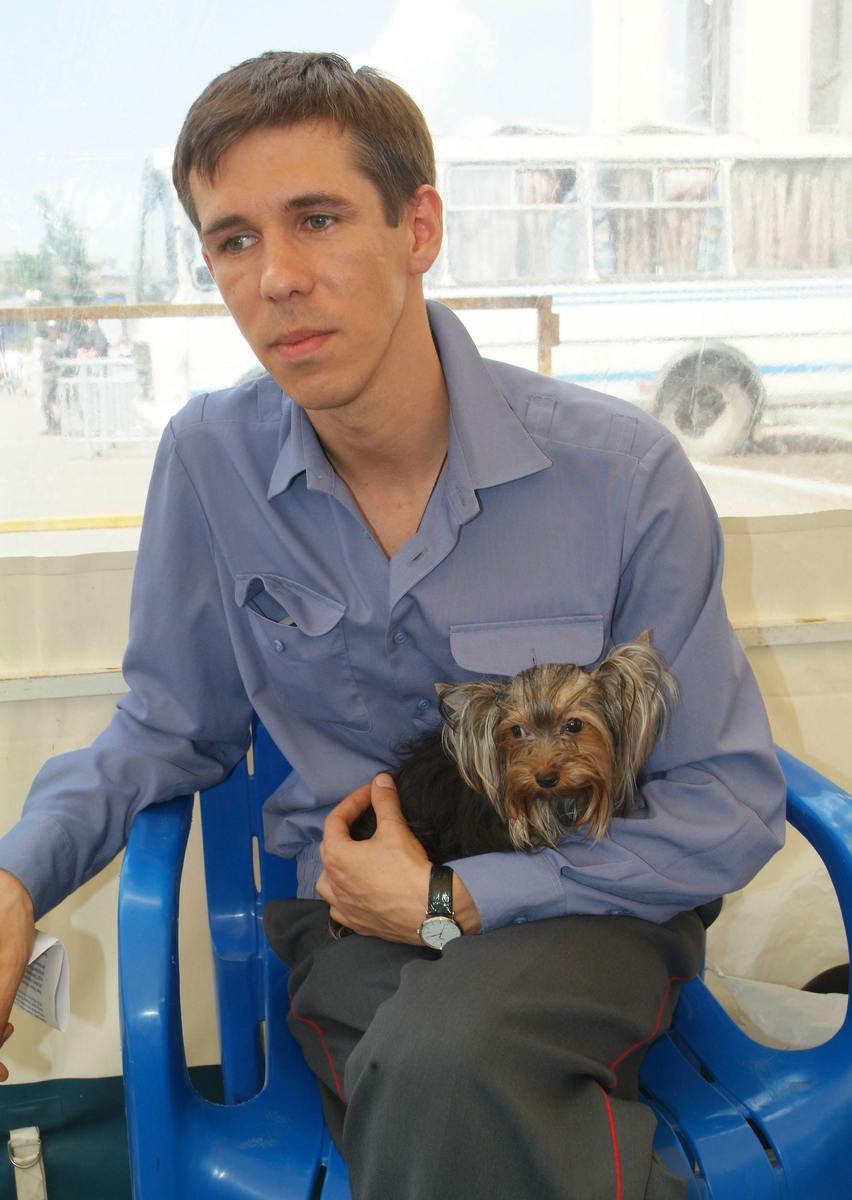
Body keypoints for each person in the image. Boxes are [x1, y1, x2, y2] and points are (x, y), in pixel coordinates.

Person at [0, 52, 786, 1199]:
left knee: (440, 1066)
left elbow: (731, 803)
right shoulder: (209, 463)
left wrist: (459, 903)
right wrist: (18, 875)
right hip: (352, 929)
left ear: (419, 227)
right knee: (444, 1074)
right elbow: (165, 729)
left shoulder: (622, 475)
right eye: (233, 240)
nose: (276, 278)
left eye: (316, 220)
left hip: (585, 908)